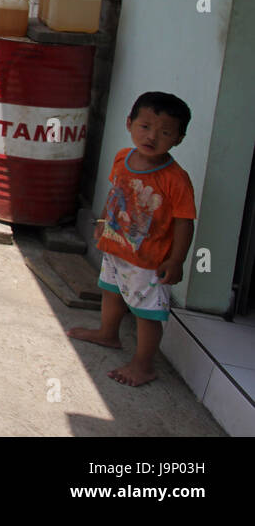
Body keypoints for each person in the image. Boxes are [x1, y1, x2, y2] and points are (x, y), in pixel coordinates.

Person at [67, 92, 196, 387]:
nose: (152, 136)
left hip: (149, 261)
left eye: (165, 132)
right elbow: (116, 193)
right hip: (116, 247)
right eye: (145, 126)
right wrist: (102, 221)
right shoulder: (123, 157)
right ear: (129, 124)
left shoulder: (176, 179)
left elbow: (184, 223)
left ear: (179, 138)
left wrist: (176, 260)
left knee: (146, 313)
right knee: (111, 292)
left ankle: (143, 364)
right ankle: (108, 334)